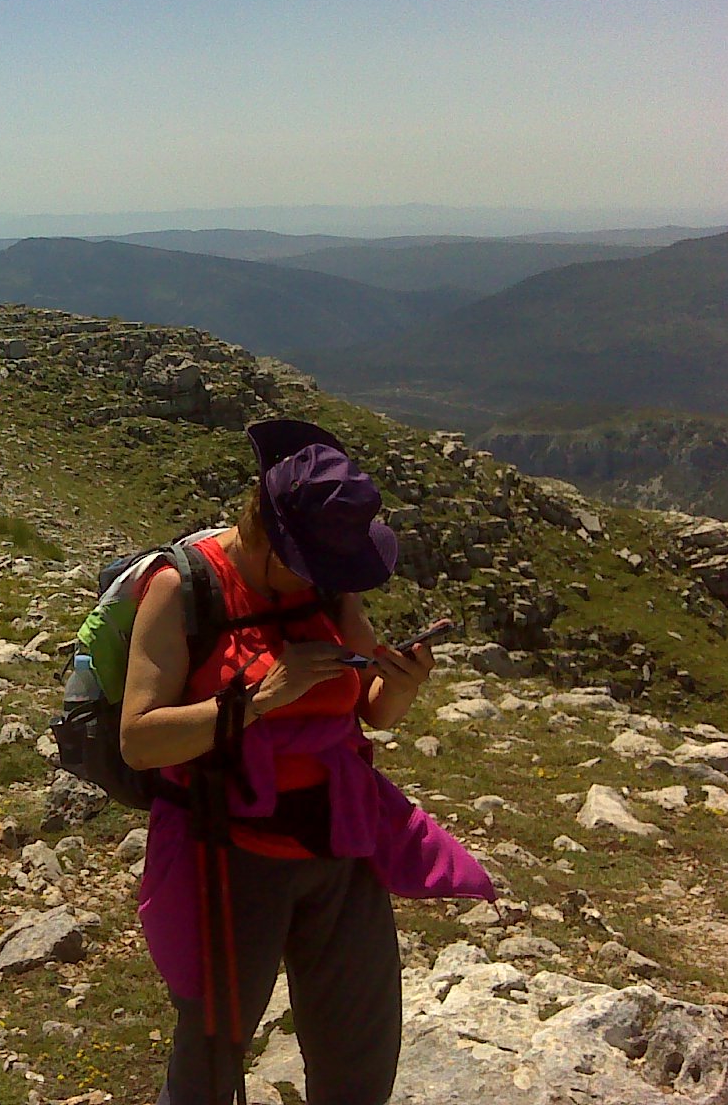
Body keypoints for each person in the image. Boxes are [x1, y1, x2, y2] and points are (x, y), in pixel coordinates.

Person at [120, 419, 494, 1105]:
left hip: (343, 846)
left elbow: (370, 710)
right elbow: (140, 739)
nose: (325, 577)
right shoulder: (184, 587)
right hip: (231, 854)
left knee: (360, 1055)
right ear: (264, 528)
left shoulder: (329, 585)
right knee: (211, 1058)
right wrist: (261, 698)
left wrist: (400, 685)